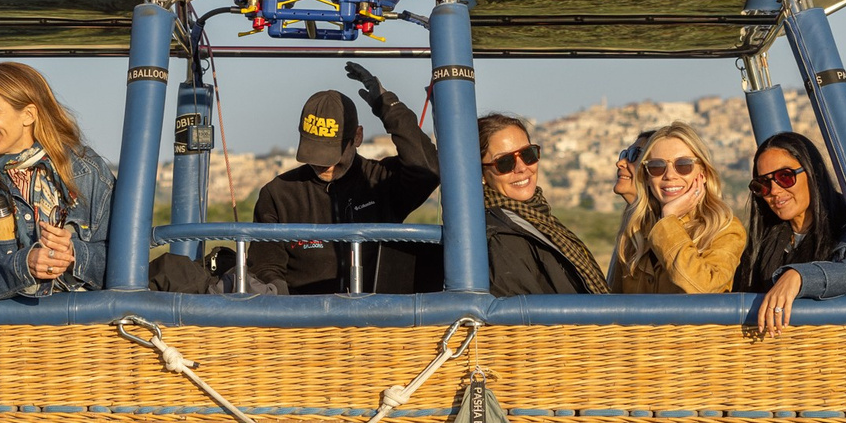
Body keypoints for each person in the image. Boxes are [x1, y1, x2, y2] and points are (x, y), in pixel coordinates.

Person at [242, 63, 441, 295]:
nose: (323, 164)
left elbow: (429, 169)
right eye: (314, 153)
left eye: (331, 154)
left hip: (378, 320)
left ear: (357, 137)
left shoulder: (381, 182)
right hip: (306, 323)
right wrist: (291, 313)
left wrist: (388, 106)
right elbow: (266, 267)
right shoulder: (278, 194)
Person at [0, 63, 115, 299]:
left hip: (82, 326)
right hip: (4, 328)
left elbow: (126, 259)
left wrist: (73, 254)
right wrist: (24, 265)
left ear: (28, 115)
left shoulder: (88, 171)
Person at [733, 130, 846, 333]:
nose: (774, 191)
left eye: (784, 177)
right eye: (763, 184)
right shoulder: (764, 243)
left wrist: (800, 277)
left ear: (813, 172)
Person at [477, 114, 608, 296]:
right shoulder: (501, 236)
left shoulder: (538, 219)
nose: (522, 168)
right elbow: (522, 316)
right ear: (482, 173)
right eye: (505, 162)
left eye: (527, 154)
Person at [609, 123, 747, 295]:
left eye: (683, 165)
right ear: (646, 175)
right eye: (656, 167)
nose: (670, 175)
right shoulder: (634, 231)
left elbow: (703, 289)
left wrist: (669, 222)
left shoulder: (724, 229)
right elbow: (613, 301)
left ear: (702, 172)